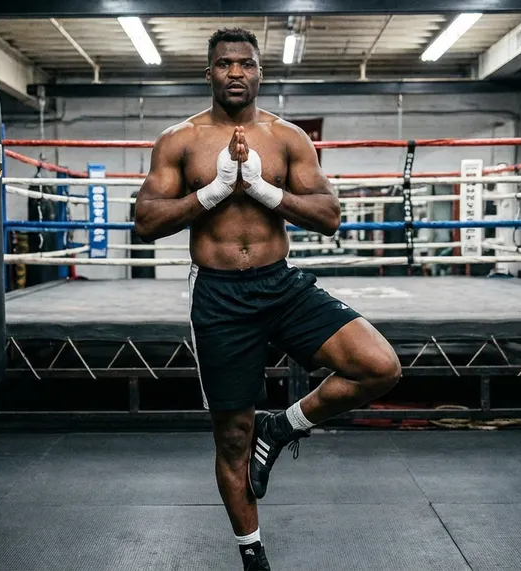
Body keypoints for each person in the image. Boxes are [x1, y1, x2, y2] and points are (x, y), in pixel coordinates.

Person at [133, 27, 402, 571]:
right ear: (208, 73)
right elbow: (146, 221)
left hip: (281, 285)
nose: (235, 72)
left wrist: (262, 189)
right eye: (224, 63)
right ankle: (252, 553)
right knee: (234, 436)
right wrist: (214, 191)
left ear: (260, 72)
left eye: (246, 63)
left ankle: (282, 426)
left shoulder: (288, 138)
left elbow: (329, 216)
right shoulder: (179, 140)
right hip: (219, 295)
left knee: (380, 366)